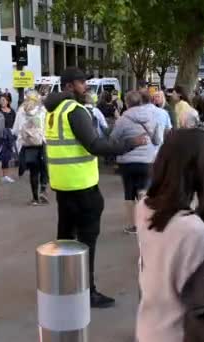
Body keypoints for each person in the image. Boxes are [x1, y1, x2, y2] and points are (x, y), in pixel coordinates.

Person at [43, 67, 147, 308]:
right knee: (86, 243)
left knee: (66, 241)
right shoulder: (75, 110)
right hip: (82, 186)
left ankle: (64, 288)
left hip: (64, 185)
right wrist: (131, 143)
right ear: (69, 86)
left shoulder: (54, 111)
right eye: (82, 83)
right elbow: (95, 145)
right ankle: (86, 292)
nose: (86, 87)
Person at [136, 129, 204, 342]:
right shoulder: (193, 232)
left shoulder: (145, 207)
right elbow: (201, 300)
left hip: (149, 325)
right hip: (178, 333)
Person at [111, 91, 162, 234]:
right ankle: (146, 222)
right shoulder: (152, 117)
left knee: (129, 193)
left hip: (126, 161)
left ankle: (134, 226)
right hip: (147, 160)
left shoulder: (122, 119)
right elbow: (157, 140)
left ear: (127, 103)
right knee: (144, 191)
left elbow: (113, 139)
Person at [13, 91, 49, 205]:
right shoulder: (42, 111)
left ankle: (35, 198)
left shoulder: (21, 111)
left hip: (27, 145)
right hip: (41, 143)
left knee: (34, 172)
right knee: (44, 167)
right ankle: (43, 190)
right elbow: (47, 127)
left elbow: (15, 129)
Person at [0, 96, 17, 183]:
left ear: (8, 101)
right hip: (0, 137)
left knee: (6, 157)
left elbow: (15, 123)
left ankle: (5, 176)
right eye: (1, 100)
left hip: (9, 136)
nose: (2, 102)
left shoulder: (12, 112)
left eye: (4, 100)